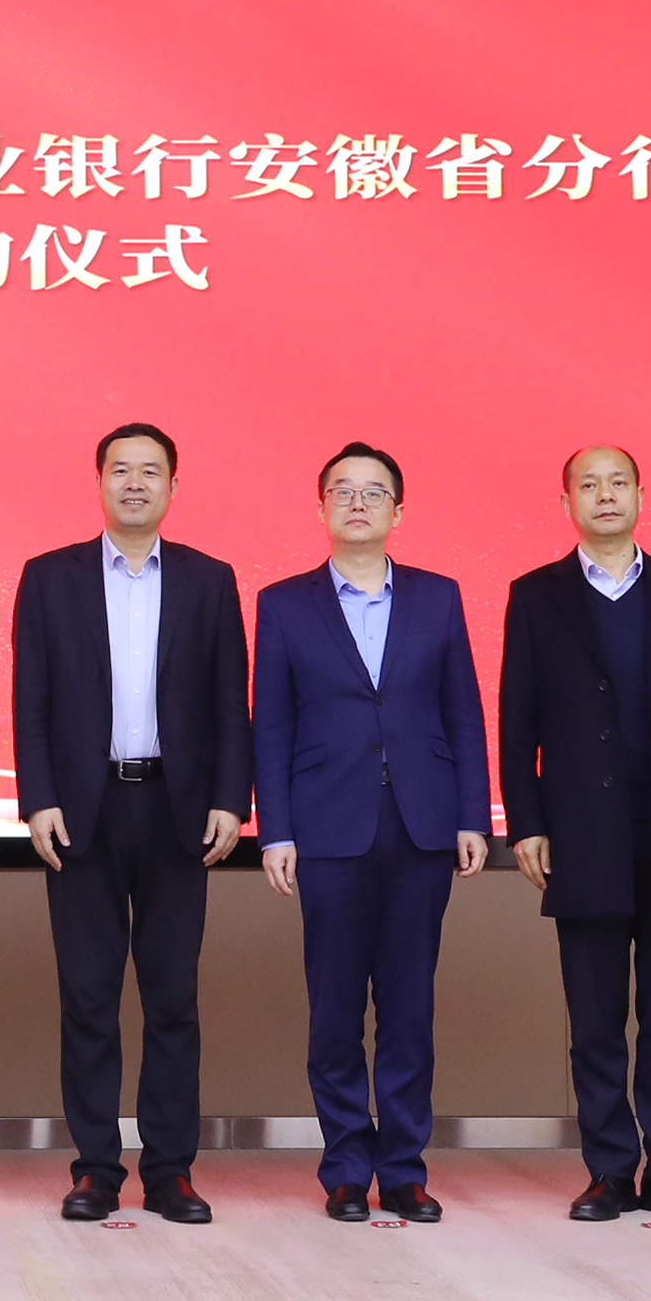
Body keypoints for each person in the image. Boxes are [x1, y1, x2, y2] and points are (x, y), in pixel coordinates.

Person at [12, 422, 251, 1224]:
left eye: (152, 471)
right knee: (88, 997)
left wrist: (231, 798)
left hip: (178, 809)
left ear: (174, 487)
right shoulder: (50, 577)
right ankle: (95, 1168)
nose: (136, 483)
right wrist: (38, 797)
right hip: (83, 809)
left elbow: (230, 699)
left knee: (172, 997)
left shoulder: (209, 579)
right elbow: (31, 698)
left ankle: (171, 1170)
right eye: (121, 470)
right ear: (100, 483)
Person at [499, 446, 651, 1225]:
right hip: (581, 834)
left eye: (618, 483)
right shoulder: (536, 596)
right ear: (566, 501)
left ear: (641, 495)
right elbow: (517, 722)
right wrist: (527, 824)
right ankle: (609, 1169)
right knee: (596, 1021)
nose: (604, 495)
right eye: (588, 484)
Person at [253, 442, 490, 1222]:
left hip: (421, 825)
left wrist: (472, 813)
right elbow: (271, 725)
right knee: (334, 1010)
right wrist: (276, 829)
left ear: (398, 510)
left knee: (409, 1008)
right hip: (328, 827)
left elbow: (463, 711)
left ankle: (405, 1170)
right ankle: (347, 1169)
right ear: (322, 507)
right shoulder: (284, 603)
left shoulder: (438, 597)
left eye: (374, 492)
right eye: (344, 491)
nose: (358, 503)